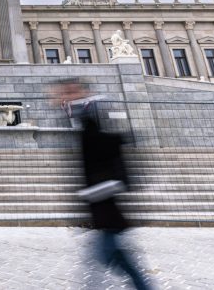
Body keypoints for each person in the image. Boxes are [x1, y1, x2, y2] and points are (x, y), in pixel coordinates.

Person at [55, 80, 152, 289]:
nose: (61, 98)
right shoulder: (87, 125)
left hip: (106, 209)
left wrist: (90, 193)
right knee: (118, 261)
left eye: (68, 92)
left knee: (102, 261)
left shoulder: (95, 120)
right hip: (103, 210)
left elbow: (110, 152)